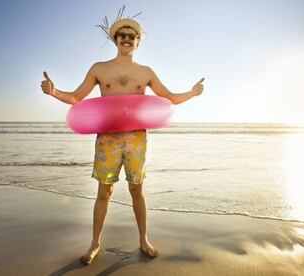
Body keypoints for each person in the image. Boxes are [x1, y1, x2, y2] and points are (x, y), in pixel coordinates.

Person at [40, 11, 204, 265]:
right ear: (115, 40)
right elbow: (75, 98)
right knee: (104, 191)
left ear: (138, 41)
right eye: (122, 35)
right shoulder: (99, 68)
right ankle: (94, 244)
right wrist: (54, 92)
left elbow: (169, 98)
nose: (127, 39)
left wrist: (192, 93)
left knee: (137, 189)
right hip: (108, 137)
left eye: (132, 36)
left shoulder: (146, 72)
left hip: (136, 138)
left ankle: (143, 240)